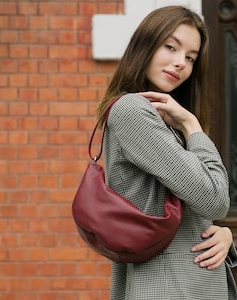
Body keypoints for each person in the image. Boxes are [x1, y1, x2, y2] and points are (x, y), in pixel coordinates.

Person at [96, 5, 237, 299]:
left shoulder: (164, 120)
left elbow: (198, 209)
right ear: (145, 45)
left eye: (190, 58)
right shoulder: (133, 110)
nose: (180, 63)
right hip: (169, 285)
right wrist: (191, 123)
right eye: (171, 47)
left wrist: (225, 236)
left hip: (188, 281)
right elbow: (214, 201)